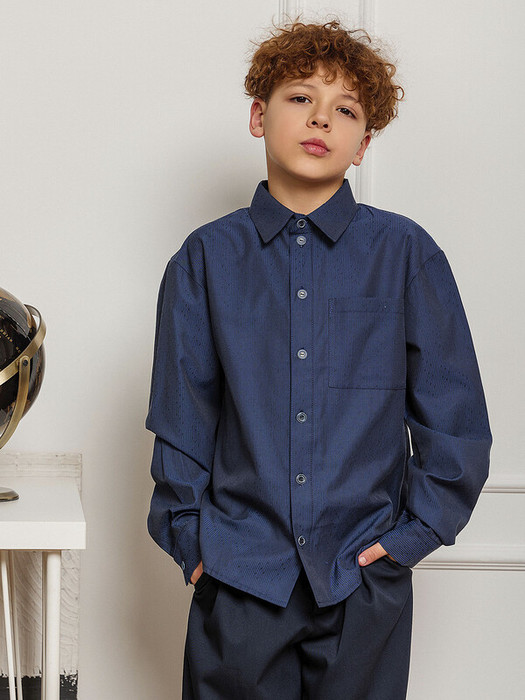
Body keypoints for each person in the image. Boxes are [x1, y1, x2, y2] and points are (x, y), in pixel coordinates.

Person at [145, 17, 492, 700]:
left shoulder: (406, 255)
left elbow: (453, 416)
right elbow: (183, 415)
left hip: (362, 580)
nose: (321, 119)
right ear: (258, 116)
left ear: (364, 144)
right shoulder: (204, 259)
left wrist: (411, 537)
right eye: (301, 97)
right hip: (239, 579)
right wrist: (193, 543)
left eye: (346, 110)